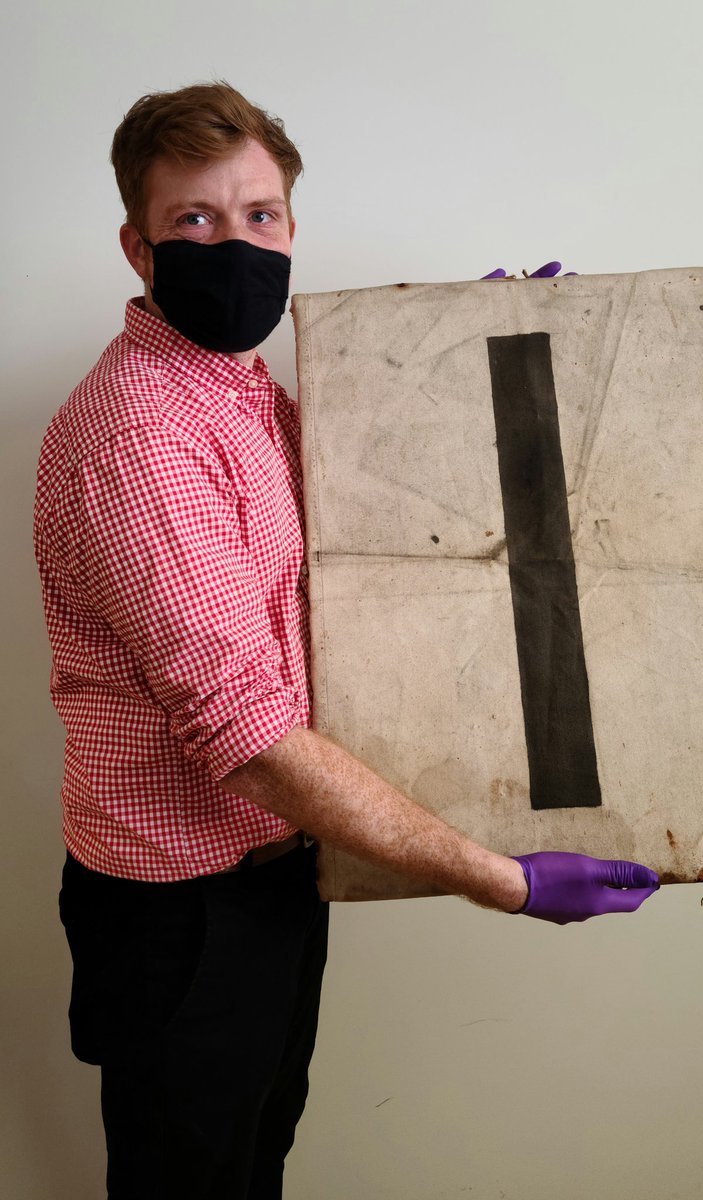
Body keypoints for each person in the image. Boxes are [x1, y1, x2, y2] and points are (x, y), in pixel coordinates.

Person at [33, 81, 660, 1199]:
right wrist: (499, 879)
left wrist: (476, 343)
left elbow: (369, 500)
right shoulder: (137, 437)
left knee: (254, 1159)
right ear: (137, 246)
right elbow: (250, 738)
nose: (234, 245)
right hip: (182, 907)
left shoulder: (238, 394)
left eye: (259, 216)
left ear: (291, 225)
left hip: (276, 867)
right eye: (194, 222)